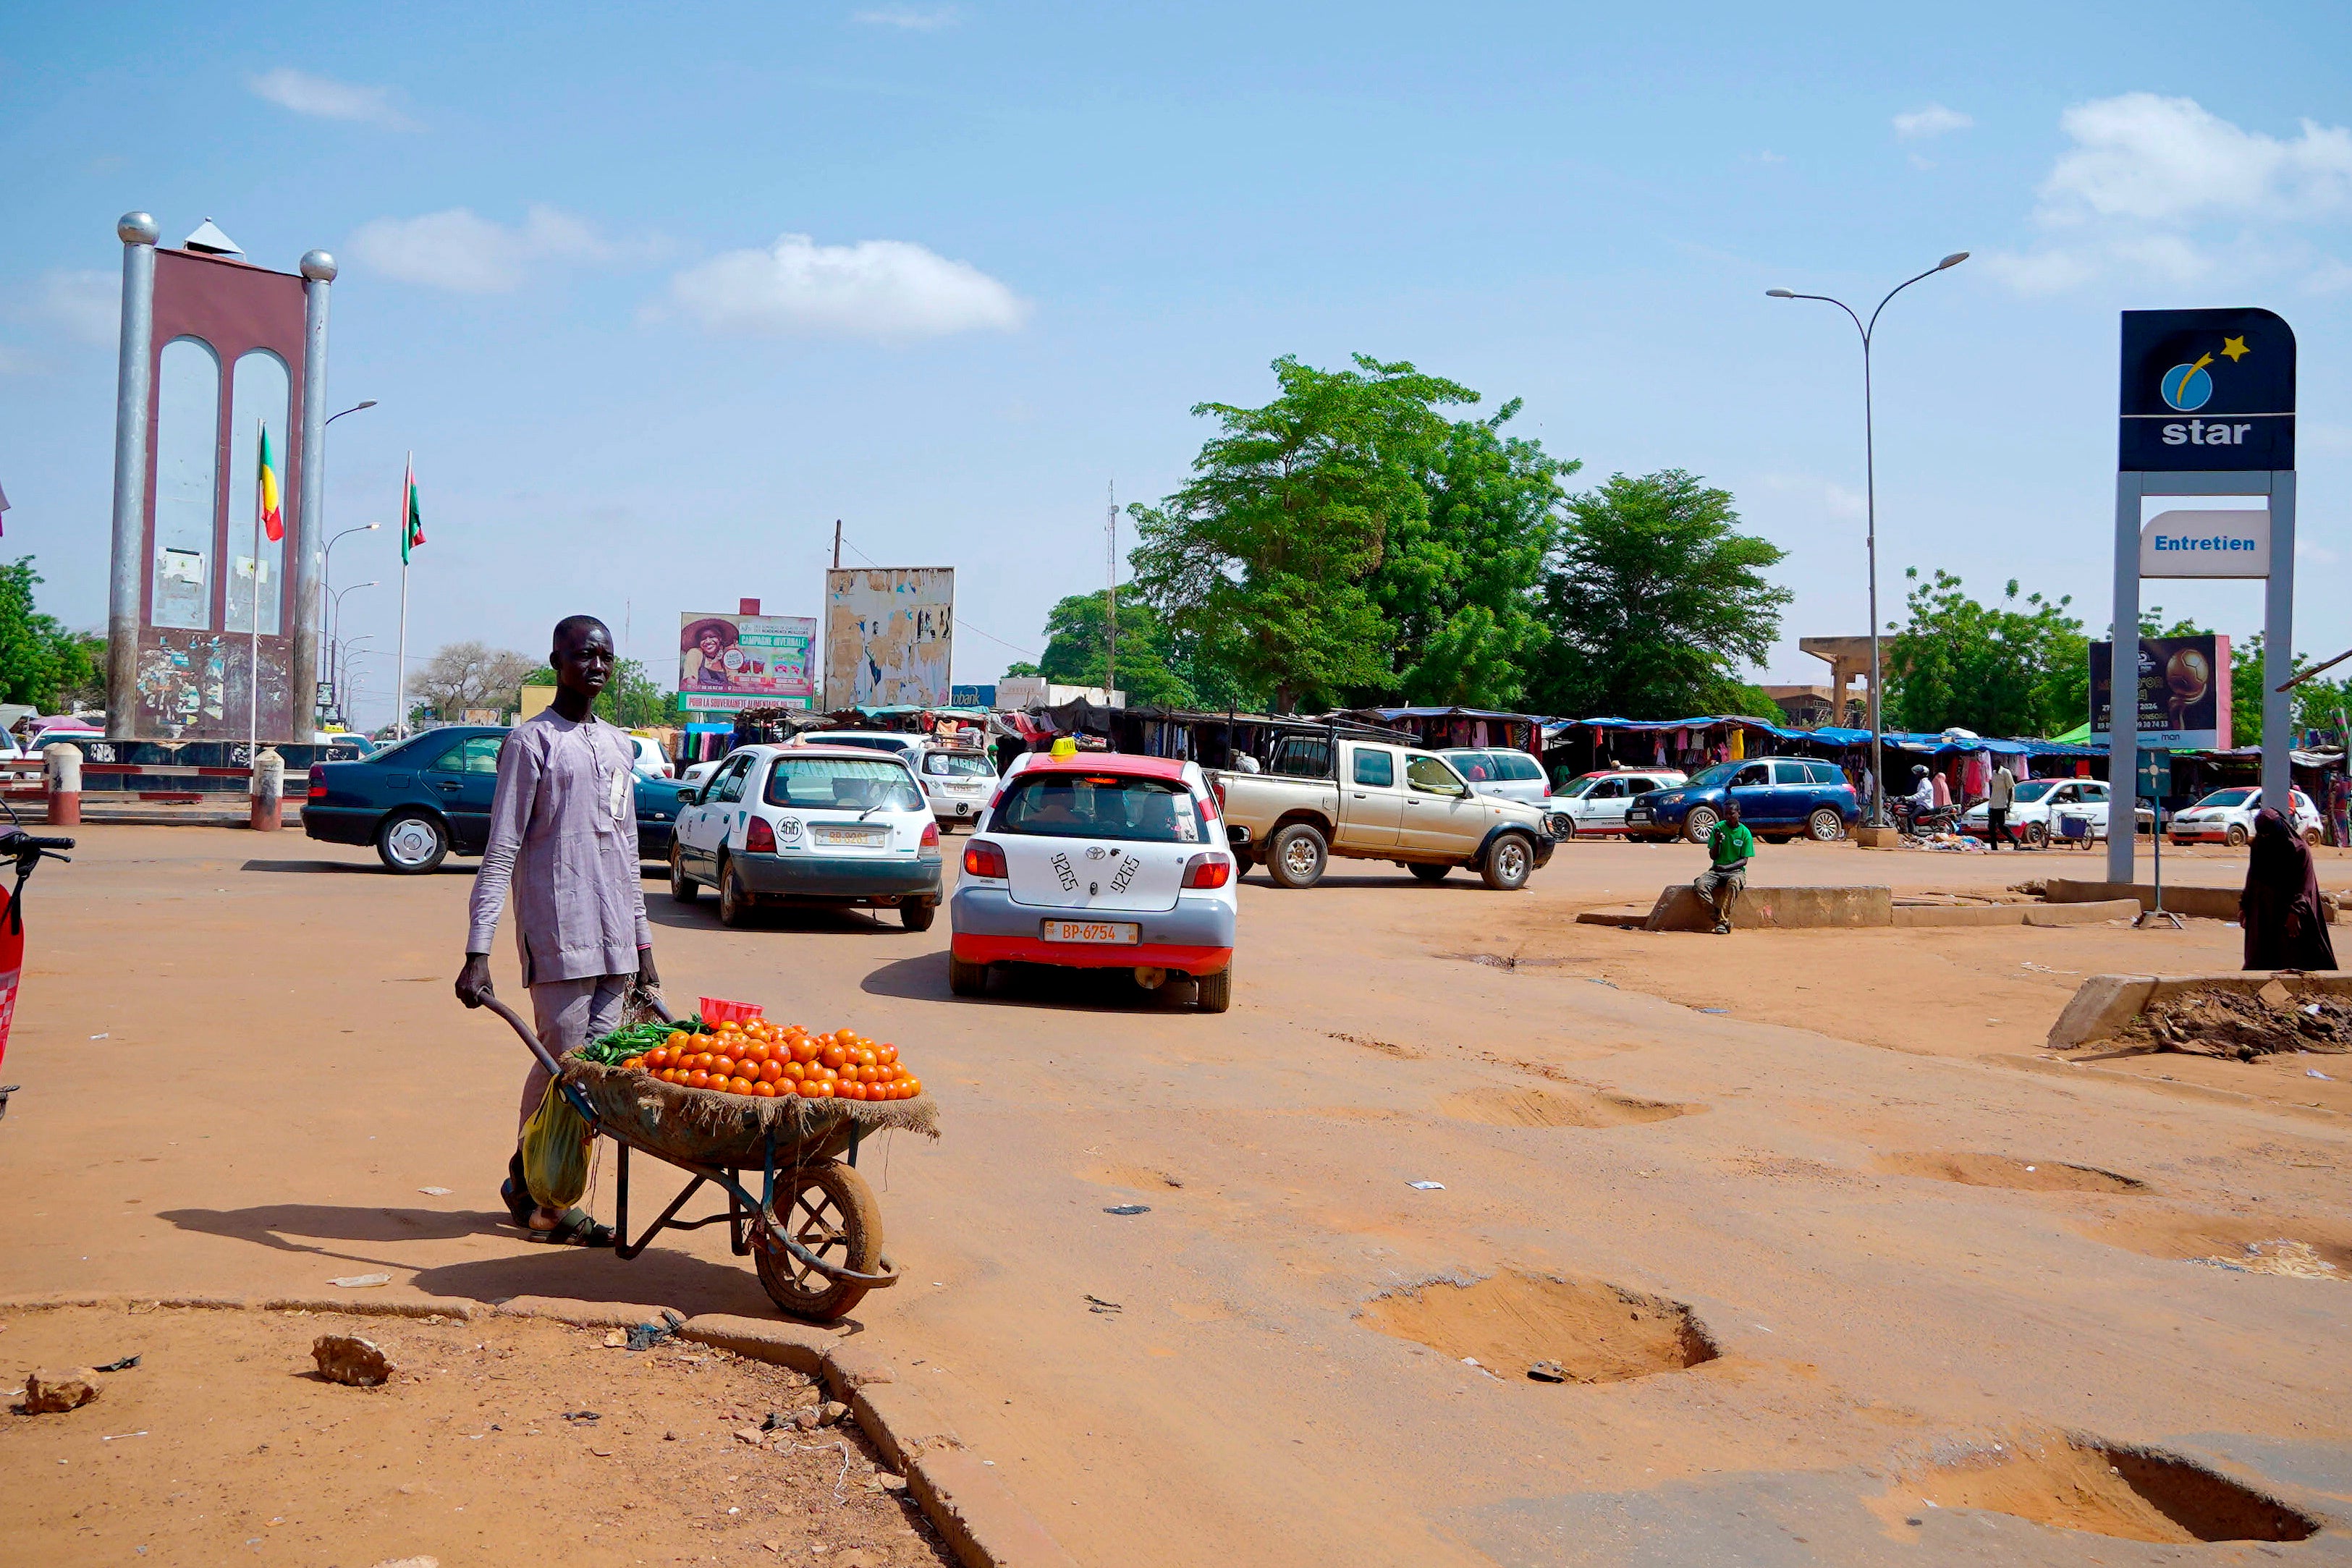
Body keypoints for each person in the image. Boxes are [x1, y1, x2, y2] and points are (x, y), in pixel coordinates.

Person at [456, 615, 658, 1245]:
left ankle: (542, 1186)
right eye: (583, 654)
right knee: (561, 1062)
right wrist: (478, 949)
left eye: (605, 656)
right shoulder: (530, 743)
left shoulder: (620, 745)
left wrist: (644, 944)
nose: (596, 665)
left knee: (595, 1076)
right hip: (558, 930)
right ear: (557, 662)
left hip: (616, 937)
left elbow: (628, 850)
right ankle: (534, 1190)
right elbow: (501, 849)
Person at [2241, 806, 2338, 972]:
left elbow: (2305, 885)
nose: (2266, 838)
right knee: (2259, 957)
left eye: (2269, 833)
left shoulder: (2298, 849)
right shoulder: (2259, 845)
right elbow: (2253, 878)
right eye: (2263, 834)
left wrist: (2296, 911)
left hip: (2289, 910)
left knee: (2293, 958)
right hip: (2263, 911)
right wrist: (2244, 906)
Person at [1696, 798, 1755, 936]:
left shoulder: (1745, 833)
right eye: (1726, 814)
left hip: (1735, 871)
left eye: (1731, 814)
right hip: (1717, 870)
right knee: (1700, 885)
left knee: (1734, 884)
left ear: (1739, 813)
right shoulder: (1718, 828)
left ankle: (1722, 922)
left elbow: (1744, 860)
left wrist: (1726, 868)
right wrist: (1717, 842)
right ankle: (1719, 919)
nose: (1728, 817)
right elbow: (1713, 856)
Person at [1987, 759, 2017, 849]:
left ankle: (2015, 840)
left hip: (2002, 804)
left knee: (2001, 826)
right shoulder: (1993, 773)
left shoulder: (2006, 772)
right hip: (1993, 803)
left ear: (2000, 763)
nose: (1994, 764)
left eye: (1996, 762)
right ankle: (1994, 847)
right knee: (1991, 826)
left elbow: (2010, 789)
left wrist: (2009, 804)